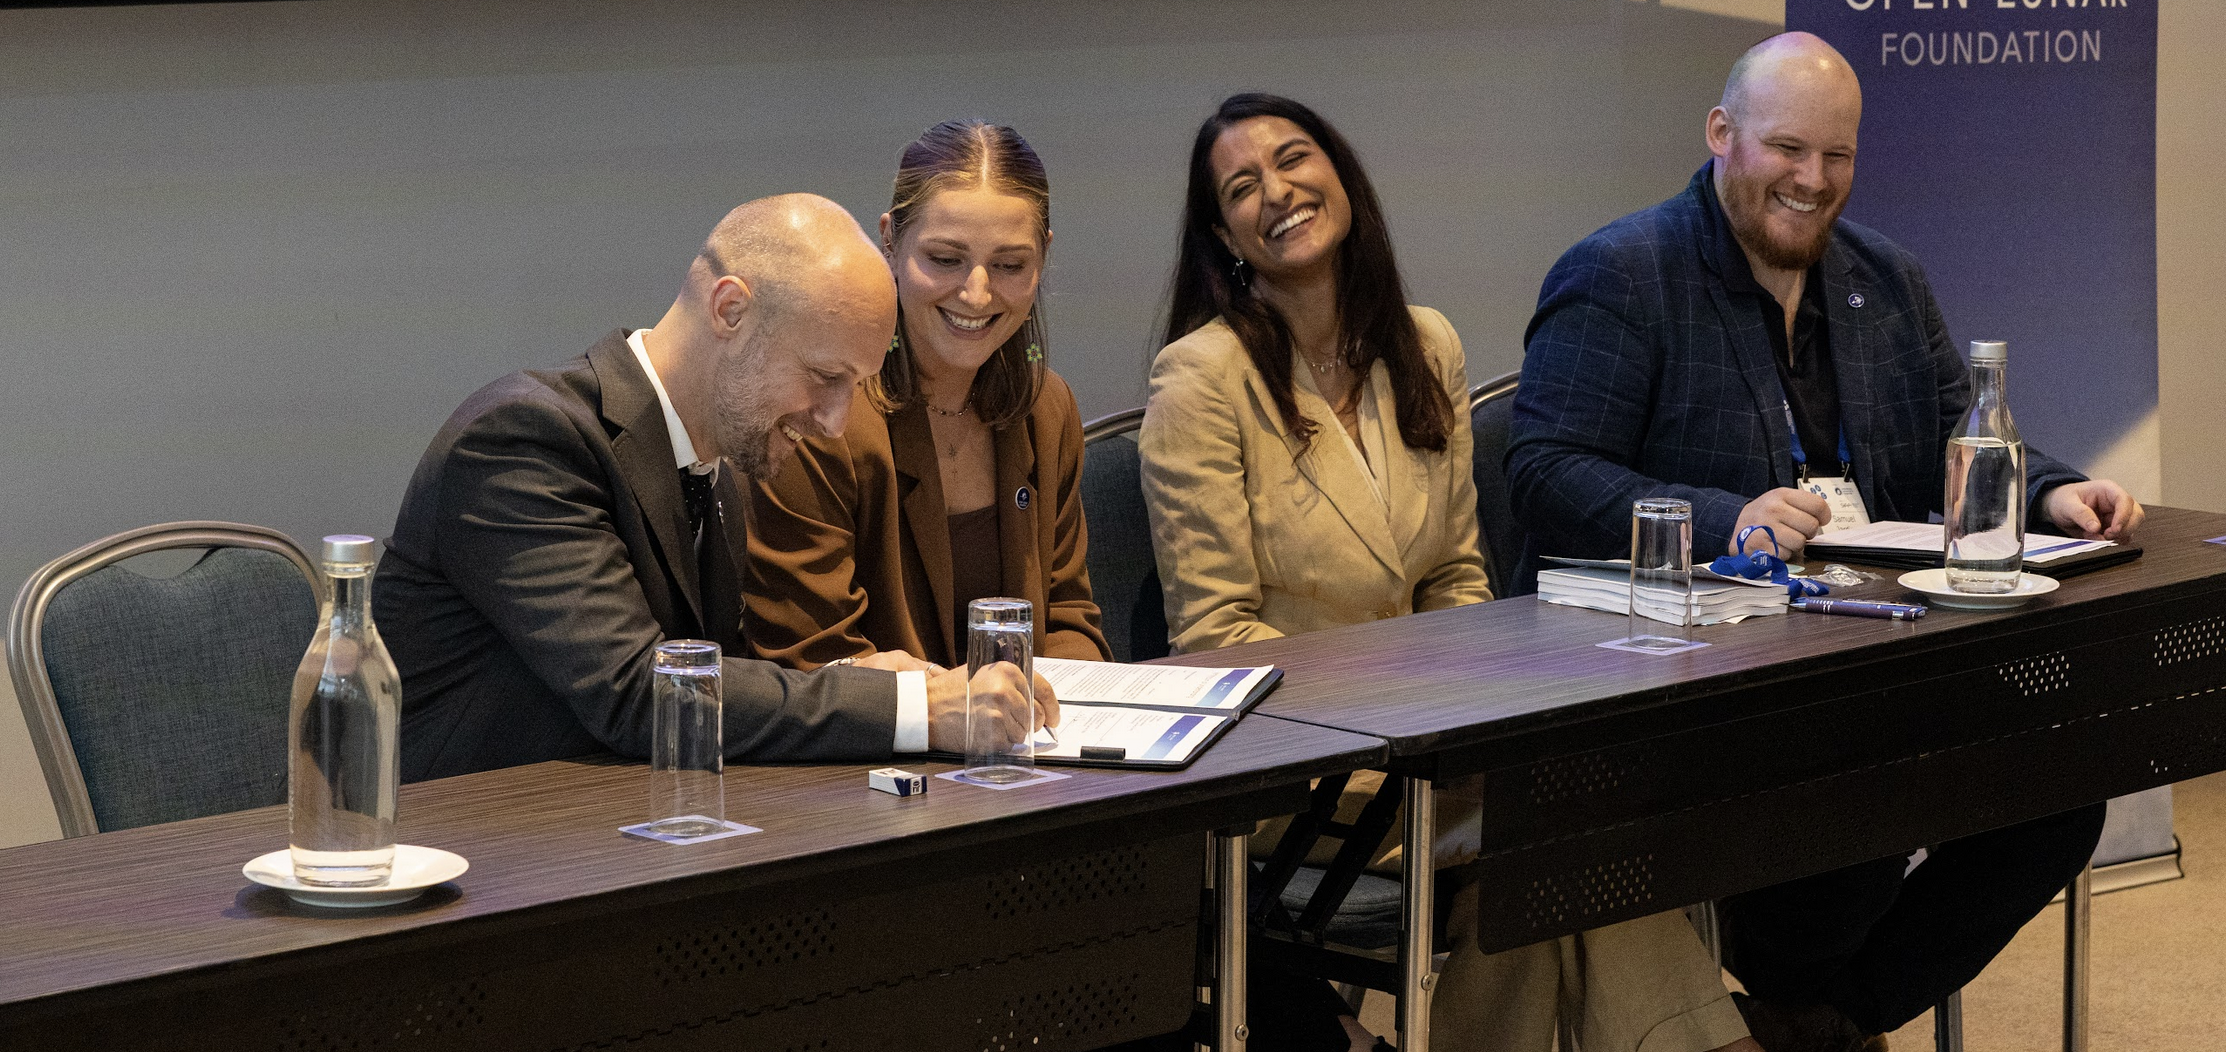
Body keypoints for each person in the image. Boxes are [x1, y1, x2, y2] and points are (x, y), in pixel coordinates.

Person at [1508, 31, 2138, 1052]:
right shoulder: (1623, 273)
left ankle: (1812, 1023)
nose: (1811, 180)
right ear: (1721, 135)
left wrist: (2058, 494)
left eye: (1836, 156)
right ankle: (1812, 1010)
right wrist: (1727, 521)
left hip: (1868, 661)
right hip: (1696, 692)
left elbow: (1952, 430)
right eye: (1786, 149)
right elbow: (1543, 473)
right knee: (1849, 823)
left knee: (2055, 801)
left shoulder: (1885, 279)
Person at [1142, 94, 1758, 1052]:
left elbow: (1457, 584)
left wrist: (1458, 707)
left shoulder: (1425, 343)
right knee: (1552, 843)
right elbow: (1214, 640)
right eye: (1241, 187)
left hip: (1440, 750)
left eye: (1295, 159)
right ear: (1223, 234)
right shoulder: (1201, 380)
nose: (1278, 193)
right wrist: (1396, 717)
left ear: (1342, 176)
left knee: (1559, 844)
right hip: (1295, 772)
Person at [376, 194, 1043, 782]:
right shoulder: (522, 441)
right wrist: (915, 712)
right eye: (823, 375)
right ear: (730, 309)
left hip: (614, 839)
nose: (836, 419)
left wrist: (850, 685)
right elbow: (643, 691)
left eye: (854, 386)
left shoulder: (718, 466)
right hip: (477, 868)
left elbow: (717, 678)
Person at [746, 121, 1111, 670]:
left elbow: (1068, 621)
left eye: (1011, 265)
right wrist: (957, 711)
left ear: (1044, 255)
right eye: (945, 259)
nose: (977, 293)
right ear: (889, 240)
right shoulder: (819, 413)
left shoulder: (1047, 407)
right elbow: (810, 660)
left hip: (1019, 749)